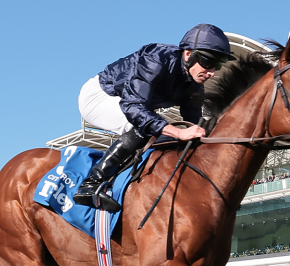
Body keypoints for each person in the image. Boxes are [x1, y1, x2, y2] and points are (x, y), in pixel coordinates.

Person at [73, 23, 235, 211]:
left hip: (130, 104)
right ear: (188, 54)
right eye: (207, 62)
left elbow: (194, 124)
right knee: (146, 126)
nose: (212, 72)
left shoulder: (195, 85)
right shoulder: (157, 58)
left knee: (173, 138)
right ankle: (91, 184)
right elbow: (133, 107)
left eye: (217, 65)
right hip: (99, 96)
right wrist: (178, 132)